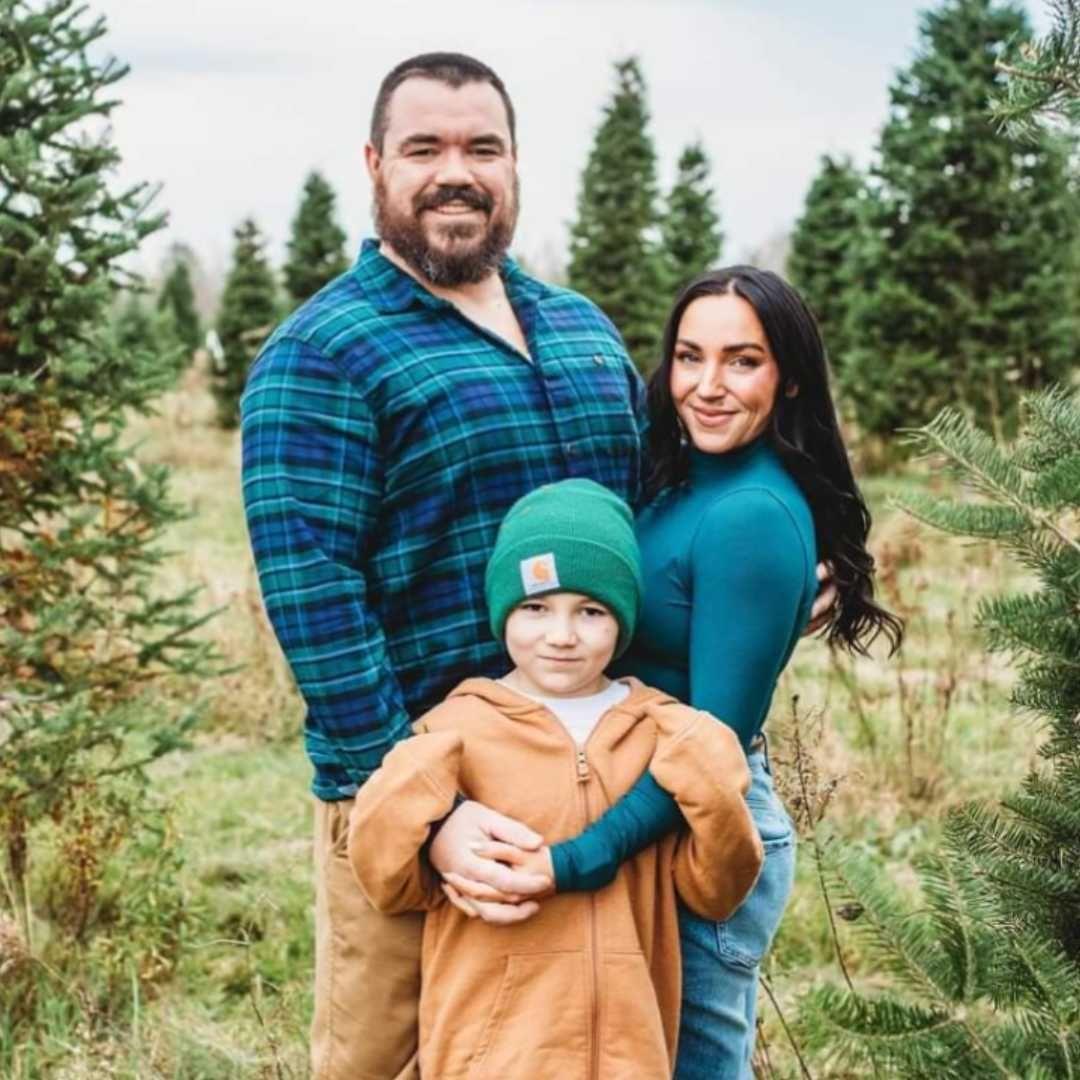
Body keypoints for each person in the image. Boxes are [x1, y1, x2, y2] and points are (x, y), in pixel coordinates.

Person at [241, 48, 833, 1078]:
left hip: (602, 785)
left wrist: (791, 566)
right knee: (398, 1058)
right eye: (424, 147)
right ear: (376, 163)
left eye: (483, 147)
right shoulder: (323, 354)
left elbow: (668, 508)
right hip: (432, 789)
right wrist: (431, 816)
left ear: (515, 166)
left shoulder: (580, 333)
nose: (454, 171)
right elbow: (317, 602)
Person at [448, 268, 904, 1077]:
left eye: (742, 361)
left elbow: (715, 746)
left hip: (700, 824)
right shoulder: (687, 475)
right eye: (690, 358)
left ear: (789, 375)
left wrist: (581, 856)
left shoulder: (752, 514)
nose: (708, 386)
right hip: (653, 811)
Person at [346, 479, 764, 1078]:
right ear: (502, 612)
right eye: (535, 608)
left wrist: (714, 786)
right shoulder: (455, 729)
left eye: (590, 611)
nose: (561, 635)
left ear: (622, 619)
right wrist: (414, 780)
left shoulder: (660, 731)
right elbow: (389, 882)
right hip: (493, 1057)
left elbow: (716, 889)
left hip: (630, 1056)